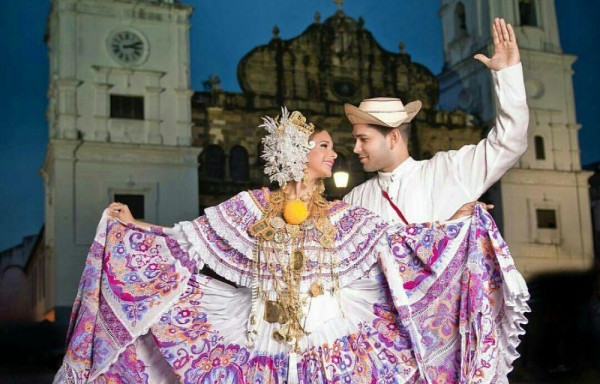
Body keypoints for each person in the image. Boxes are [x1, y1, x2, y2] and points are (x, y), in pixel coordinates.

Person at [53, 108, 528, 384]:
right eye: (325, 146)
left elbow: (403, 244)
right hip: (259, 333)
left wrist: (456, 225)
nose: (336, 152)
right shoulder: (252, 207)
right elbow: (186, 243)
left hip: (333, 334)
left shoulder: (342, 213)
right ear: (297, 152)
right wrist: (136, 226)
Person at [343, 18, 529, 224]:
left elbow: (509, 143)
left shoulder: (447, 171)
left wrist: (507, 74)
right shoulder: (355, 200)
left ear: (393, 137)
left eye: (363, 139)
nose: (356, 148)